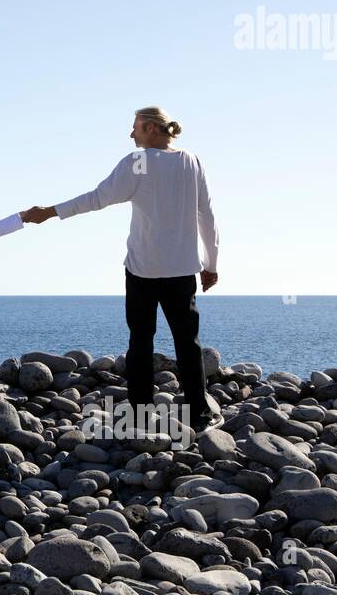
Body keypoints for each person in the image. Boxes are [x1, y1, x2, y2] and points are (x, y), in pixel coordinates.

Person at [20, 106, 221, 432]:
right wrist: (211, 265)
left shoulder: (138, 162)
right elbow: (207, 217)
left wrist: (50, 212)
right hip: (183, 270)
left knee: (141, 341)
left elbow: (98, 198)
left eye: (136, 128)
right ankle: (199, 412)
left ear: (153, 129)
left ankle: (141, 415)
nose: (131, 135)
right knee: (188, 343)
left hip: (143, 270)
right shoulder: (191, 161)